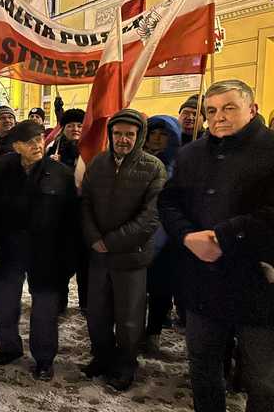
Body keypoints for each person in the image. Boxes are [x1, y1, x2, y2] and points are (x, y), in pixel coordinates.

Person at [159, 79, 274, 412]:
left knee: (264, 377)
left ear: (251, 109)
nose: (218, 117)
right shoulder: (191, 152)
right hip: (202, 278)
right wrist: (185, 236)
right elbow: (169, 201)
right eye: (211, 110)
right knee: (203, 363)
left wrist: (221, 237)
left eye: (229, 108)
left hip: (258, 281)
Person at [0, 120, 78, 380]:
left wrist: (67, 261)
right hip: (7, 249)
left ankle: (44, 358)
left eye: (40, 139)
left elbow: (71, 221)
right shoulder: (0, 167)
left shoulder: (61, 173)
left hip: (46, 253)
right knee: (4, 302)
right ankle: (9, 347)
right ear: (16, 146)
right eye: (30, 142)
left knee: (44, 308)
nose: (38, 145)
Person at [80, 109, 166, 391]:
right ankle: (102, 357)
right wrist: (94, 238)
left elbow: (150, 216)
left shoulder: (153, 167)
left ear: (139, 136)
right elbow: (86, 204)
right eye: (118, 134)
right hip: (99, 255)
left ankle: (126, 363)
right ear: (110, 135)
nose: (123, 139)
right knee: (97, 313)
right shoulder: (98, 163)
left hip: (131, 255)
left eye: (129, 134)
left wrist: (112, 241)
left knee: (128, 318)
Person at [142, 115, 182, 354]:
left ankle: (153, 331)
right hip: (138, 233)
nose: (157, 138)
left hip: (167, 236)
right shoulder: (136, 161)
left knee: (160, 288)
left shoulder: (181, 164)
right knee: (137, 288)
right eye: (153, 133)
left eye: (163, 134)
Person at [47, 108, 87, 312]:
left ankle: (86, 302)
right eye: (70, 125)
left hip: (84, 212)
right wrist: (50, 165)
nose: (75, 129)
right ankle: (60, 300)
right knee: (61, 260)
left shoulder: (91, 147)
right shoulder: (53, 148)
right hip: (59, 214)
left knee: (84, 261)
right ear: (63, 128)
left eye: (80, 125)